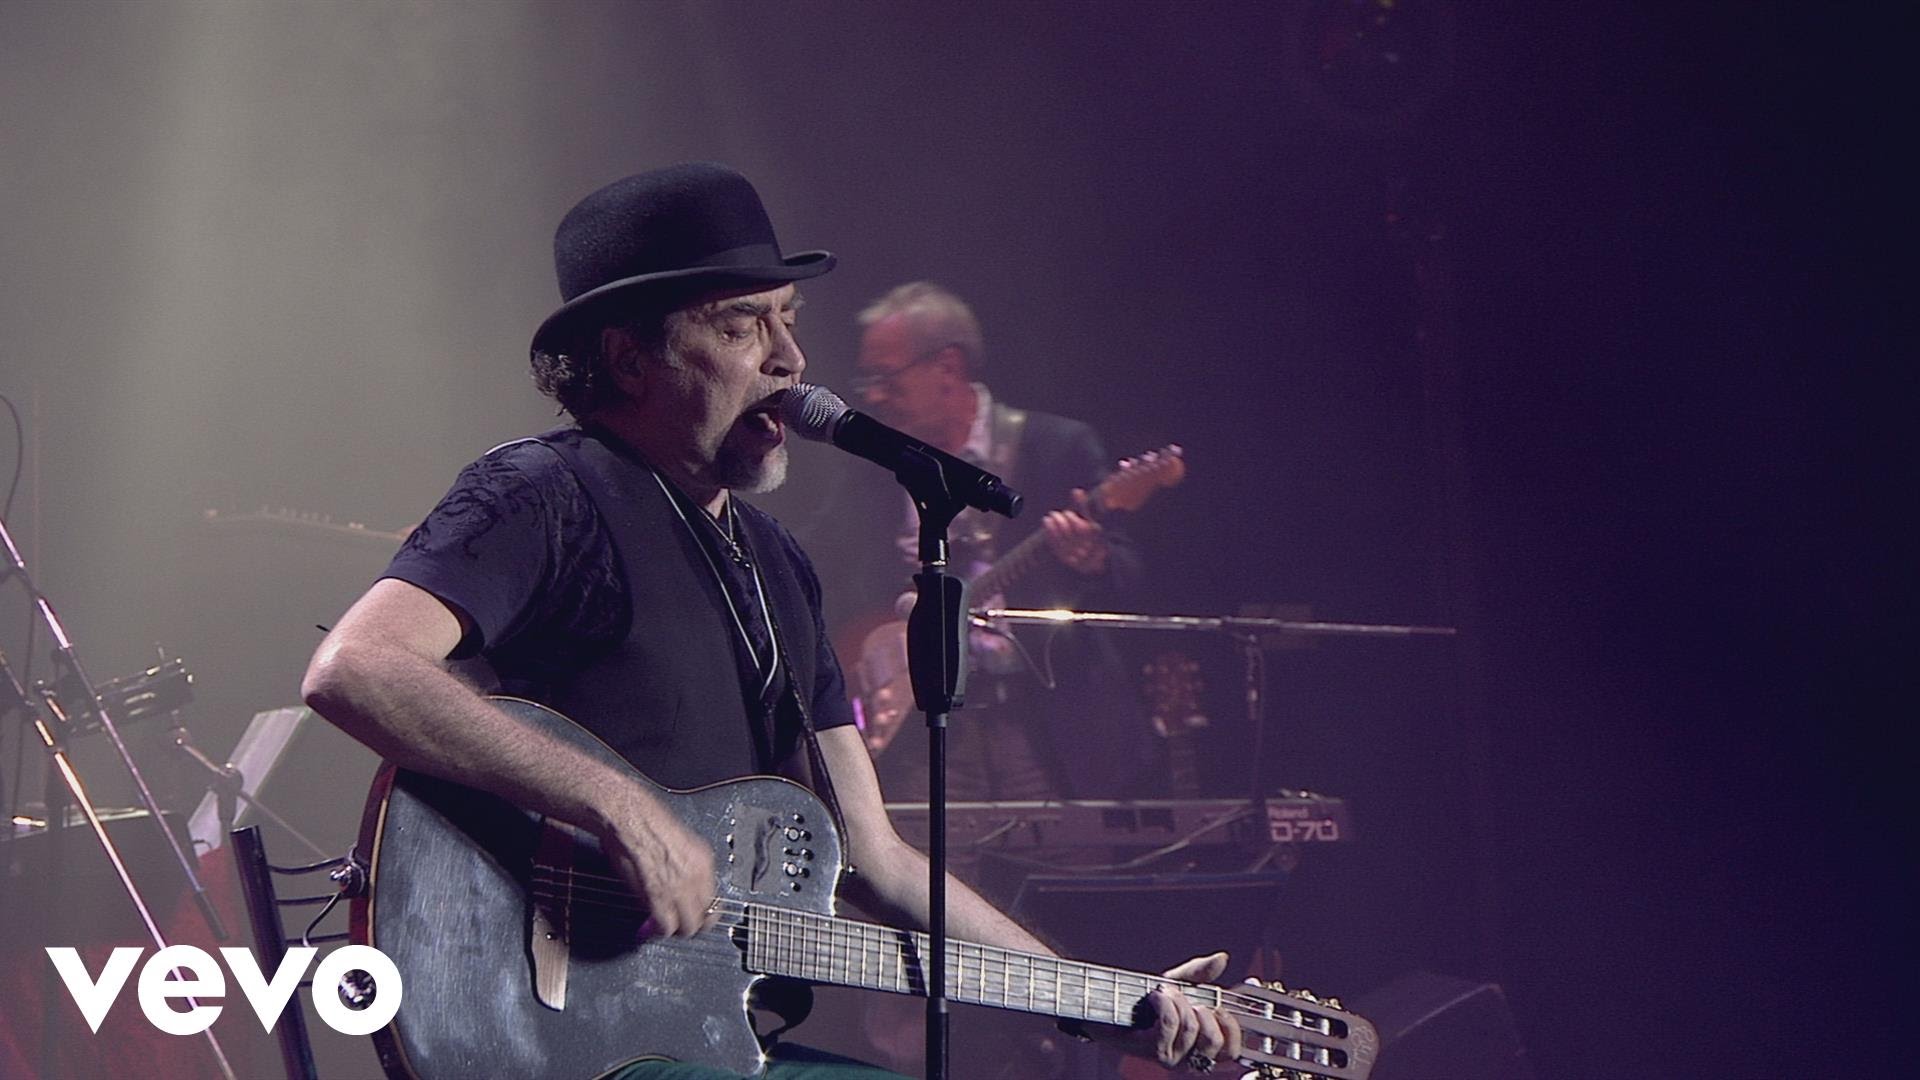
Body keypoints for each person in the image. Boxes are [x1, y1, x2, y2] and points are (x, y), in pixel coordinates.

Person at [300, 163, 1239, 1079]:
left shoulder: (778, 564)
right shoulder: (542, 492)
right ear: (628, 358)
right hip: (541, 1030)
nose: (789, 358)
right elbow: (357, 667)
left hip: (701, 1037)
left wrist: (1105, 1001)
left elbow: (875, 857)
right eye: (741, 323)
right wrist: (620, 808)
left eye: (788, 318)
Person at [821, 282, 1157, 803]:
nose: (874, 395)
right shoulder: (875, 471)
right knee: (928, 857)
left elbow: (1129, 574)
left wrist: (1092, 559)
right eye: (868, 381)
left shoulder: (1054, 447)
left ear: (948, 367)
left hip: (1046, 723)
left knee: (1063, 852)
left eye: (886, 377)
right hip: (924, 734)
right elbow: (822, 564)